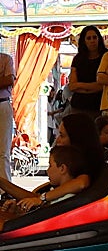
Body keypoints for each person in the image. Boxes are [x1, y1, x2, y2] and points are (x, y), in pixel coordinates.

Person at [0, 145, 88, 227]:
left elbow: (41, 220)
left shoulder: (66, 199)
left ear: (62, 169)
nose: (47, 170)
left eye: (50, 165)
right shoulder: (57, 193)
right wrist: (17, 211)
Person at [67, 25, 107, 119]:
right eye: (88, 38)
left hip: (99, 107)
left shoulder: (106, 57)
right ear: (84, 41)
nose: (92, 41)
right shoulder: (78, 59)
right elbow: (72, 86)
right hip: (78, 107)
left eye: (94, 37)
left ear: (99, 39)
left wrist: (80, 86)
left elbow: (103, 85)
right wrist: (93, 87)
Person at [0, 49, 12, 181]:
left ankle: (5, 191)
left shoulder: (6, 59)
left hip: (2, 104)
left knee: (3, 151)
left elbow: (9, 80)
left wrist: (5, 80)